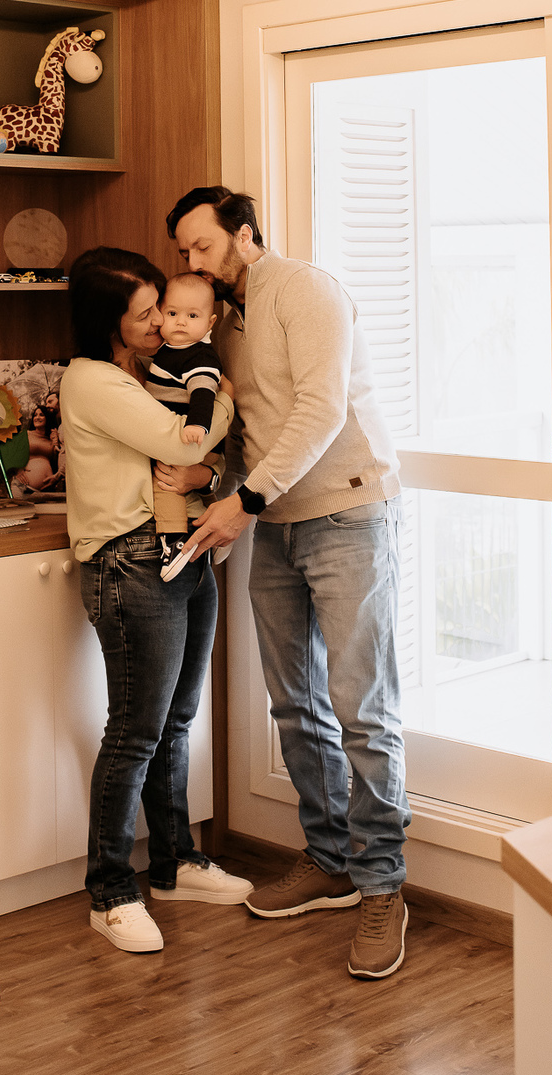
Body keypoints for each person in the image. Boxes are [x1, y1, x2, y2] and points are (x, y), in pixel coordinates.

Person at [170, 186, 410, 981]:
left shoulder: (306, 291)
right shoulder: (224, 324)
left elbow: (319, 410)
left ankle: (382, 886)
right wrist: (218, 486)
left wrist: (242, 502)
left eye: (202, 246)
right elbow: (250, 430)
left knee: (362, 708)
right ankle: (330, 860)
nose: (193, 262)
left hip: (347, 515)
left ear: (243, 234)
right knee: (295, 704)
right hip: (274, 524)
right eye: (184, 252)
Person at [60, 246, 253, 953]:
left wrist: (204, 466)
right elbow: (181, 439)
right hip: (131, 560)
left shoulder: (147, 372)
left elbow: (195, 461)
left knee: (176, 722)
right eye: (145, 313)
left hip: (184, 551)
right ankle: (111, 892)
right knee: (135, 732)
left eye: (162, 309)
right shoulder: (93, 380)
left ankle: (174, 864)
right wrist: (226, 394)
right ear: (107, 320)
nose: (161, 323)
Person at [145, 274, 224, 571]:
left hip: (192, 439)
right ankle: (211, 525)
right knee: (189, 489)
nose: (180, 322)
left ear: (210, 322)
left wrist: (197, 425)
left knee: (165, 484)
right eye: (172, 313)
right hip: (184, 439)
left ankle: (174, 540)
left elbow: (203, 391)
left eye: (192, 316)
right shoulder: (170, 351)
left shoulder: (200, 356)